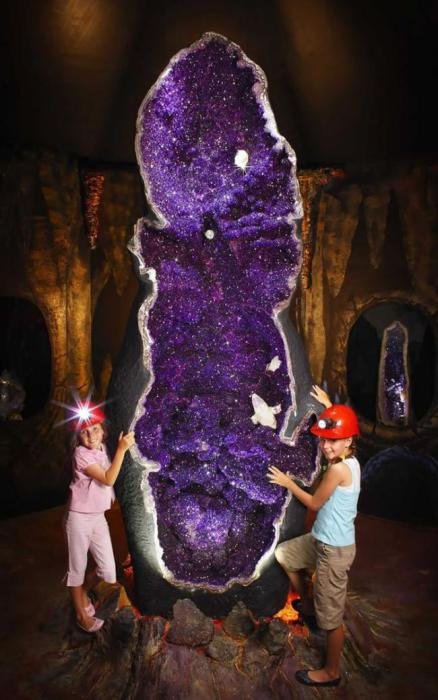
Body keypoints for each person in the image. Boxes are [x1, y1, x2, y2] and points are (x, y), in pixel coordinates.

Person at [267, 385, 360, 687]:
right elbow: (338, 431)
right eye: (324, 440)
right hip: (320, 540)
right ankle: (306, 604)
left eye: (333, 441)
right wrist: (329, 406)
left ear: (349, 441)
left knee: (331, 619)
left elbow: (314, 503)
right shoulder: (347, 457)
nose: (326, 446)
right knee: (285, 554)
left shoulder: (339, 471)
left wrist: (287, 482)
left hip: (335, 549)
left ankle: (331, 672)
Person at [64, 403, 135, 633]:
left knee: (108, 572)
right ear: (78, 437)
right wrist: (122, 450)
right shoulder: (81, 454)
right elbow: (108, 478)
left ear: (103, 430)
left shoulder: (102, 447)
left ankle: (84, 590)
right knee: (76, 568)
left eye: (95, 429)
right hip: (78, 519)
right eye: (84, 432)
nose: (91, 435)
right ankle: (81, 614)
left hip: (97, 518)